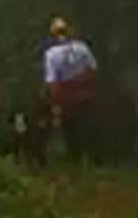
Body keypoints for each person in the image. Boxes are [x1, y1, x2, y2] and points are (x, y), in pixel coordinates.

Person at [43, 15, 100, 164]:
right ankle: (90, 159)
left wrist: (55, 104)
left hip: (66, 99)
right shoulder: (82, 48)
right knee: (86, 128)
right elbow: (93, 71)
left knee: (70, 132)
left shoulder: (51, 54)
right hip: (84, 95)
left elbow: (53, 82)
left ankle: (75, 161)